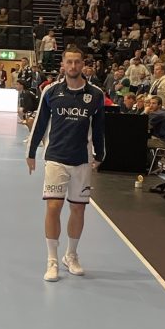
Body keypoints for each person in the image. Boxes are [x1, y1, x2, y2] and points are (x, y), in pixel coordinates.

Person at [26, 43, 106, 282]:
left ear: (84, 65)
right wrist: (31, 152)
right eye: (69, 62)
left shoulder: (96, 95)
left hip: (81, 160)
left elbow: (100, 128)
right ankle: (52, 259)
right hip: (55, 158)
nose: (73, 66)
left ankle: (71, 255)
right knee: (53, 207)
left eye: (77, 62)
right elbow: (40, 122)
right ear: (62, 64)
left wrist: (100, 155)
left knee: (78, 208)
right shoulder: (51, 92)